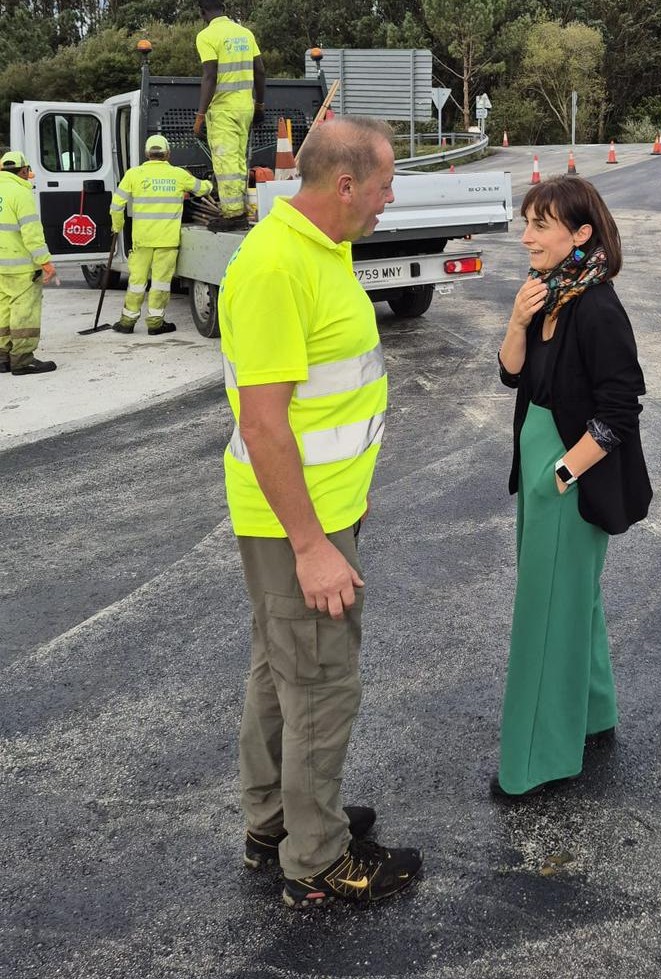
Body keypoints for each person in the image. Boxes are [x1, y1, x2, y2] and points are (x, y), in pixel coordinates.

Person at [218, 116, 421, 908]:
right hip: (295, 525)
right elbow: (265, 424)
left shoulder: (321, 248)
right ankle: (318, 858)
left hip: (321, 509)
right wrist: (310, 543)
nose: (388, 198)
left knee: (281, 670)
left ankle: (277, 820)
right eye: (383, 185)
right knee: (319, 681)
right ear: (344, 184)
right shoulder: (276, 265)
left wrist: (346, 498)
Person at [494, 175, 652, 798]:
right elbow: (512, 375)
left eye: (541, 225)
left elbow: (621, 409)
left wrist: (561, 474)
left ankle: (537, 761)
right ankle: (593, 713)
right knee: (571, 600)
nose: (526, 237)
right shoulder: (548, 292)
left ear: (581, 234)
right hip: (538, 459)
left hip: (566, 474)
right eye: (526, 223)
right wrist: (516, 319)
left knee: (545, 616)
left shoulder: (597, 307)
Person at [109, 134, 213, 336]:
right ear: (168, 154)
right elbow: (202, 189)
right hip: (167, 240)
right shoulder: (178, 174)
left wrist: (117, 226)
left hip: (142, 240)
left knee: (137, 282)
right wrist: (211, 183)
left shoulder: (133, 174)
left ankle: (127, 322)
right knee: (160, 283)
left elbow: (116, 205)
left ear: (147, 153)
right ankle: (155, 323)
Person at [194, 0, 265, 231]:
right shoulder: (245, 33)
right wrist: (260, 105)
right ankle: (239, 209)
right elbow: (260, 71)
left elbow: (210, 75)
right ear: (224, 9)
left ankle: (233, 214)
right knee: (238, 162)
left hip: (223, 109)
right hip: (245, 107)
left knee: (226, 163)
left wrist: (200, 115)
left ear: (203, 12)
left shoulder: (206, 36)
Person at [0, 150, 58, 376]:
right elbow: (32, 234)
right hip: (21, 267)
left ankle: (2, 357)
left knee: (3, 309)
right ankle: (23, 360)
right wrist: (45, 262)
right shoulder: (21, 193)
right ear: (23, 171)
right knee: (24, 311)